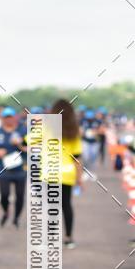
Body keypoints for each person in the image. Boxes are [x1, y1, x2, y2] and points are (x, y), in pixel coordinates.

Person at [48, 99, 82, 249]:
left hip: (50, 172)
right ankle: (69, 237)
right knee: (66, 205)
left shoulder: (47, 128)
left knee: (52, 205)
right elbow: (77, 158)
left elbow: (28, 141)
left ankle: (51, 237)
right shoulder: (74, 131)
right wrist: (79, 179)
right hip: (68, 173)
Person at [0, 106, 27, 227]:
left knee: (20, 195)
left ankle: (16, 217)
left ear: (15, 118)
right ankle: (6, 212)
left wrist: (19, 144)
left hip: (20, 169)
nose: (8, 120)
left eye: (10, 117)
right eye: (6, 117)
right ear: (2, 119)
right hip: (3, 170)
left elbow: (32, 148)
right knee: (4, 194)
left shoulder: (23, 131)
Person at [81, 109, 100, 176]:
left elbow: (102, 129)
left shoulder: (97, 121)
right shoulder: (83, 120)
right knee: (86, 157)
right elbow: (80, 130)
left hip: (94, 142)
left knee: (93, 157)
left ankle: (92, 172)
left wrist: (96, 132)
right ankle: (85, 171)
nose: (89, 120)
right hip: (85, 141)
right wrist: (82, 132)